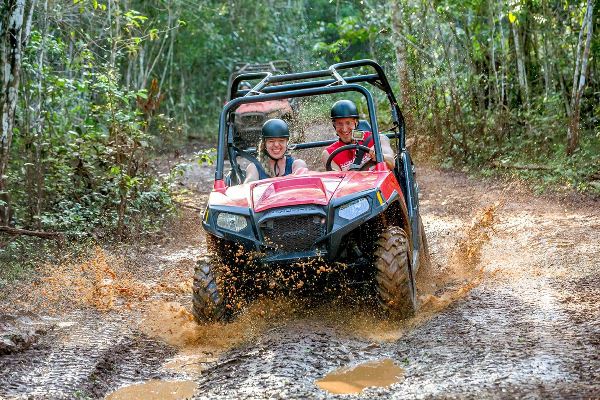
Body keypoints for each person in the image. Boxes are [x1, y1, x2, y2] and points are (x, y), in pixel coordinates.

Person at [321, 100, 395, 171]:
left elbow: (392, 163)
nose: (344, 129)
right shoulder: (329, 154)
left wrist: (380, 156)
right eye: (339, 124)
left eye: (348, 123)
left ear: (356, 122)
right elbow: (338, 181)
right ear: (334, 125)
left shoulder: (375, 140)